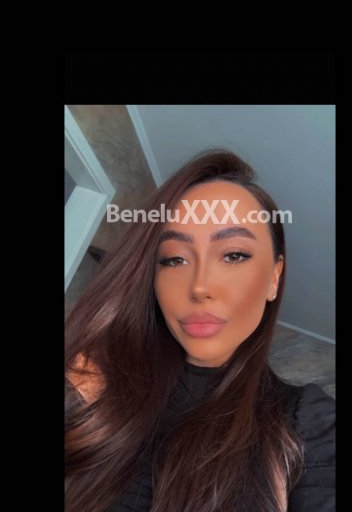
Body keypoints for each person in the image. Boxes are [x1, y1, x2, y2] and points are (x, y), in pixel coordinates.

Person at [65, 149, 335, 512]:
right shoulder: (91, 378)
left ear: (274, 278)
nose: (199, 286)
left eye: (234, 255)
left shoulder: (308, 424)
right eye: (174, 259)